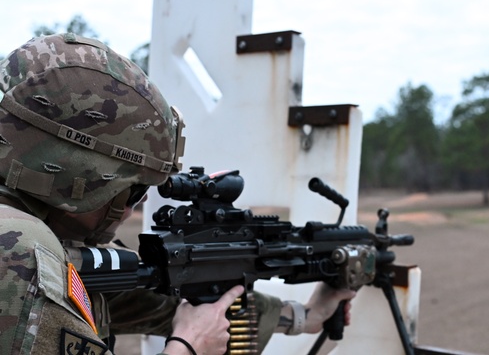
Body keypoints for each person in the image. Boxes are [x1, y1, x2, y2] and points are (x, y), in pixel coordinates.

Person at [0, 34, 355, 355]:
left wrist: (303, 316)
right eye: (133, 190)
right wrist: (189, 347)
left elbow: (158, 304)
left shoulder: (38, 239)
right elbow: (186, 326)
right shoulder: (19, 247)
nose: (130, 208)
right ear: (82, 177)